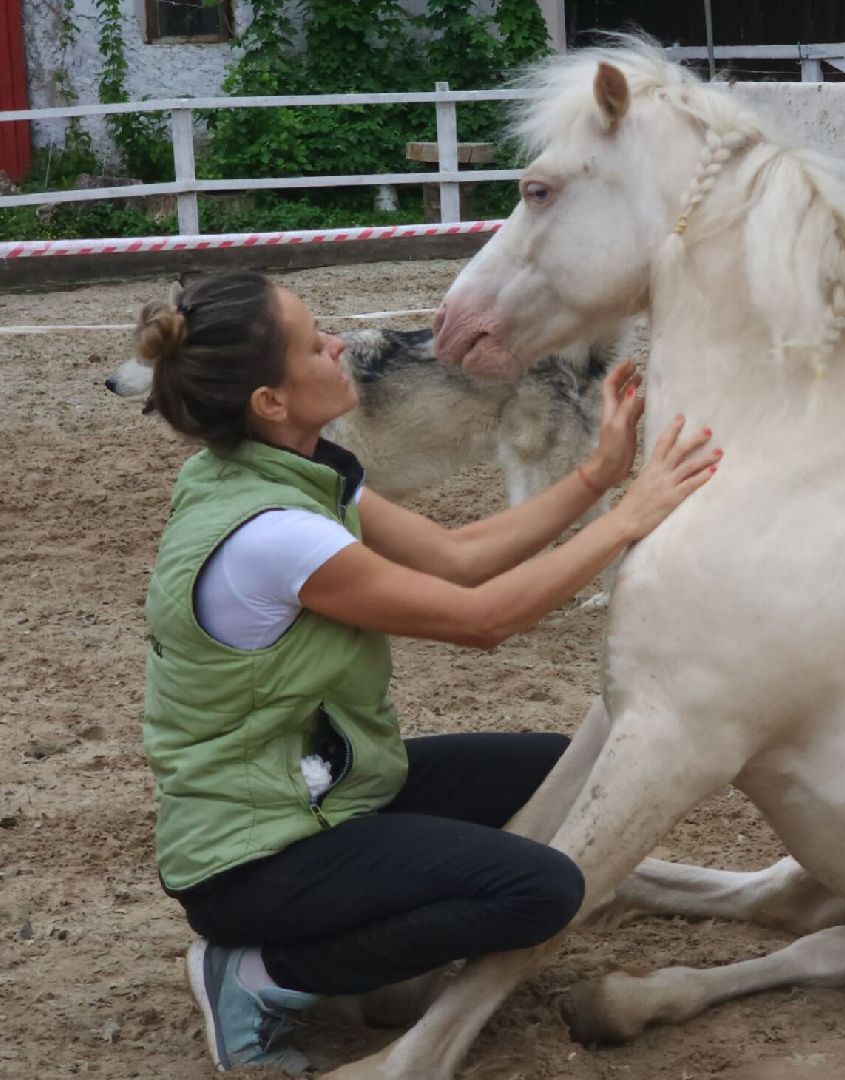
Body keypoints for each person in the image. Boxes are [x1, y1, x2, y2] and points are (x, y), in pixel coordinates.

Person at [136, 271, 718, 1074]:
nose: (339, 344)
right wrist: (629, 518)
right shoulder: (274, 534)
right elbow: (482, 621)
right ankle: (261, 973)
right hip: (253, 855)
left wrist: (599, 477)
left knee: (563, 773)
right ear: (270, 402)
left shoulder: (290, 472)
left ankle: (359, 955)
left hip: (320, 794)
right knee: (539, 891)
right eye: (314, 343)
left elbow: (459, 558)